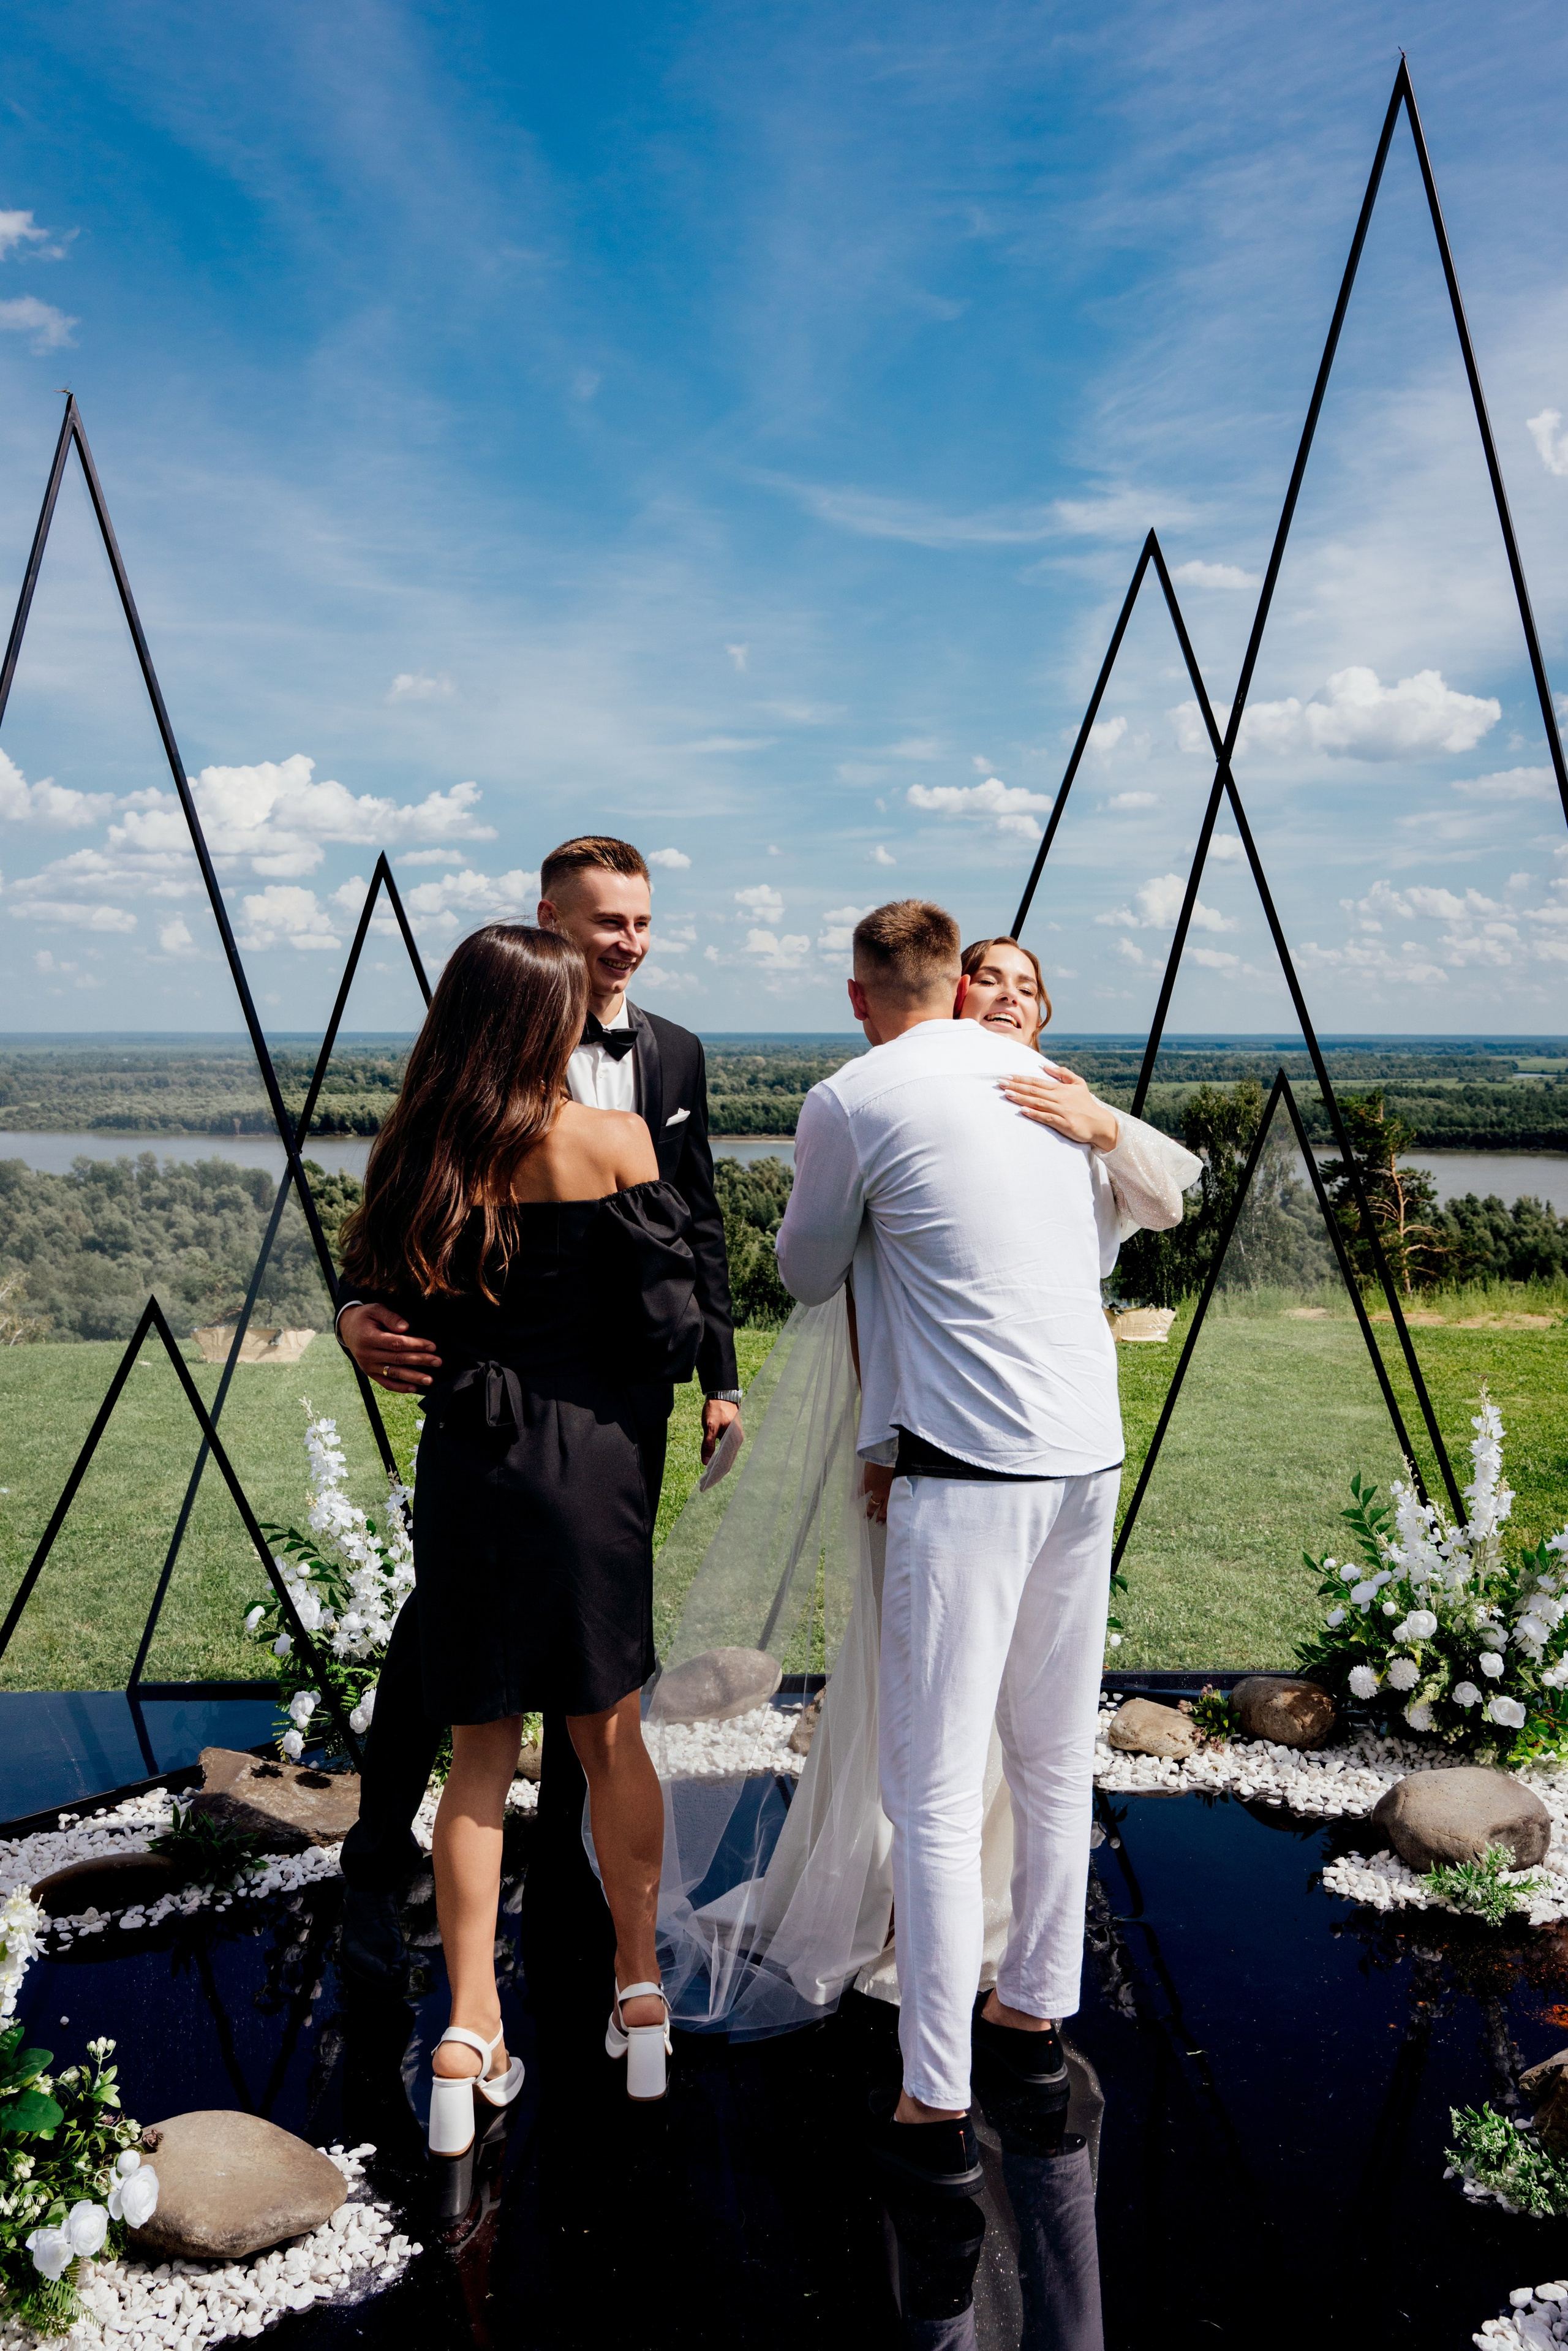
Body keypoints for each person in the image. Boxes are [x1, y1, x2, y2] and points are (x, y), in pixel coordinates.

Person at [772, 900, 1199, 2195]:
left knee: (935, 1792)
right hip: (1087, 1459)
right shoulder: (1037, 1094)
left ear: (860, 992)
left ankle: (933, 2093)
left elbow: (801, 1272)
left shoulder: (852, 1095)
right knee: (1051, 1755)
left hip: (965, 1477)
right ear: (956, 982)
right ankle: (1031, 2014)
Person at [335, 836, 744, 1991]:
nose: (628, 944)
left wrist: (720, 1376)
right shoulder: (589, 1135)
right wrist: (356, 1316)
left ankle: (517, 1959)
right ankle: (618, 1962)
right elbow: (376, 1267)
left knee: (535, 1701)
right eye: (607, 923)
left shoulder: (662, 1058)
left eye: (642, 923)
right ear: (550, 927)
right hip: (580, 1428)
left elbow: (701, 1224)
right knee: (576, 1682)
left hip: (504, 1428)